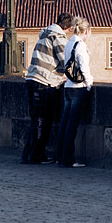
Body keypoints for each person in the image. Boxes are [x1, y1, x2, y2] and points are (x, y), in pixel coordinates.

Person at [21, 11, 73, 164]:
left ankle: (27, 154)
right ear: (69, 28)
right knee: (42, 120)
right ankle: (36, 156)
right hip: (43, 82)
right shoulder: (58, 37)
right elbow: (65, 62)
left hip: (33, 78)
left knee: (36, 119)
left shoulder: (45, 34)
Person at [57, 16, 93, 168]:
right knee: (72, 125)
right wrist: (89, 83)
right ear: (86, 31)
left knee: (64, 122)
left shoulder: (69, 43)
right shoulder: (80, 45)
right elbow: (83, 66)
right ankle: (68, 160)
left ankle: (60, 156)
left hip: (68, 87)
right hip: (78, 88)